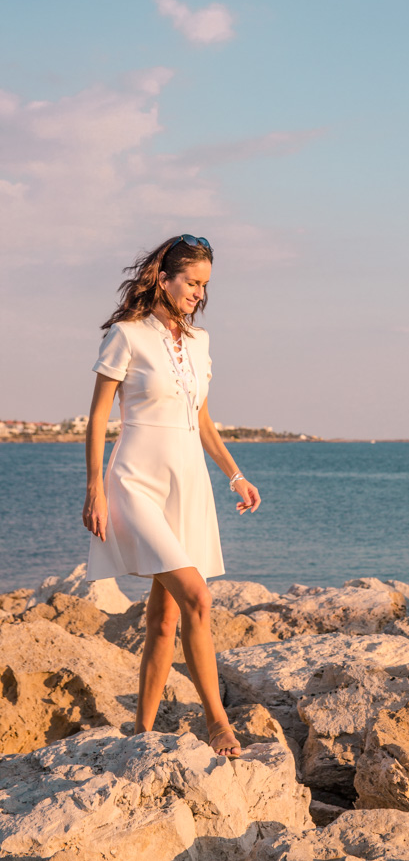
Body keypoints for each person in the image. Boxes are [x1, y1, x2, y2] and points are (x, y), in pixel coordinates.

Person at [82, 234, 261, 758]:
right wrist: (95, 488)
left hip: (188, 486)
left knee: (164, 617)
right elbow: (96, 418)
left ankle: (141, 728)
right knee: (198, 598)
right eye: (193, 282)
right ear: (165, 277)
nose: (198, 294)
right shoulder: (126, 335)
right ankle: (218, 723)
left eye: (205, 285)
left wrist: (235, 475)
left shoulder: (200, 343)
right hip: (134, 484)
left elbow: (201, 419)